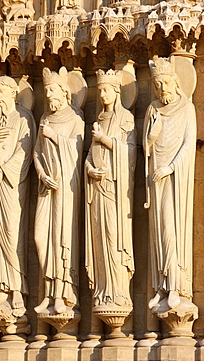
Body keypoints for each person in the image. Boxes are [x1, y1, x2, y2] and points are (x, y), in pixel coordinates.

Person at [143, 58, 196, 309]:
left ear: (176, 82)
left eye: (164, 82)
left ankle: (176, 286)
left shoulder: (187, 108)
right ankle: (161, 285)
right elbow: (145, 146)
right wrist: (151, 138)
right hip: (156, 178)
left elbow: (188, 145)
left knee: (171, 229)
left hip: (175, 178)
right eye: (156, 84)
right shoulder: (153, 110)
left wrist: (170, 168)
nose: (161, 88)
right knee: (157, 235)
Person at [0, 75, 36, 318]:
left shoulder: (24, 119)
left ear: (13, 93)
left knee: (13, 235)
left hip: (12, 184)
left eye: (2, 92)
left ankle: (18, 288)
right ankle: (2, 287)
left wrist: (3, 172)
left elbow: (25, 153)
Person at [34, 67, 84, 314]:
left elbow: (76, 151)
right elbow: (36, 151)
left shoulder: (75, 120)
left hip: (66, 187)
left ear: (64, 92)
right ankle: (47, 290)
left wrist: (54, 137)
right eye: (46, 90)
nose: (48, 94)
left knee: (61, 238)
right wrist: (42, 174)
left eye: (52, 89)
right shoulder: (44, 119)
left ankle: (62, 293)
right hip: (47, 186)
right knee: (40, 237)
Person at [85, 69, 136, 308]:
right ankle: (103, 290)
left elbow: (130, 151)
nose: (103, 94)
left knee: (114, 237)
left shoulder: (125, 118)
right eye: (100, 90)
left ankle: (118, 293)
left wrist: (104, 139)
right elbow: (88, 156)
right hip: (97, 188)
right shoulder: (98, 121)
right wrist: (89, 170)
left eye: (107, 89)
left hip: (116, 191)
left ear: (117, 91)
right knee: (99, 239)